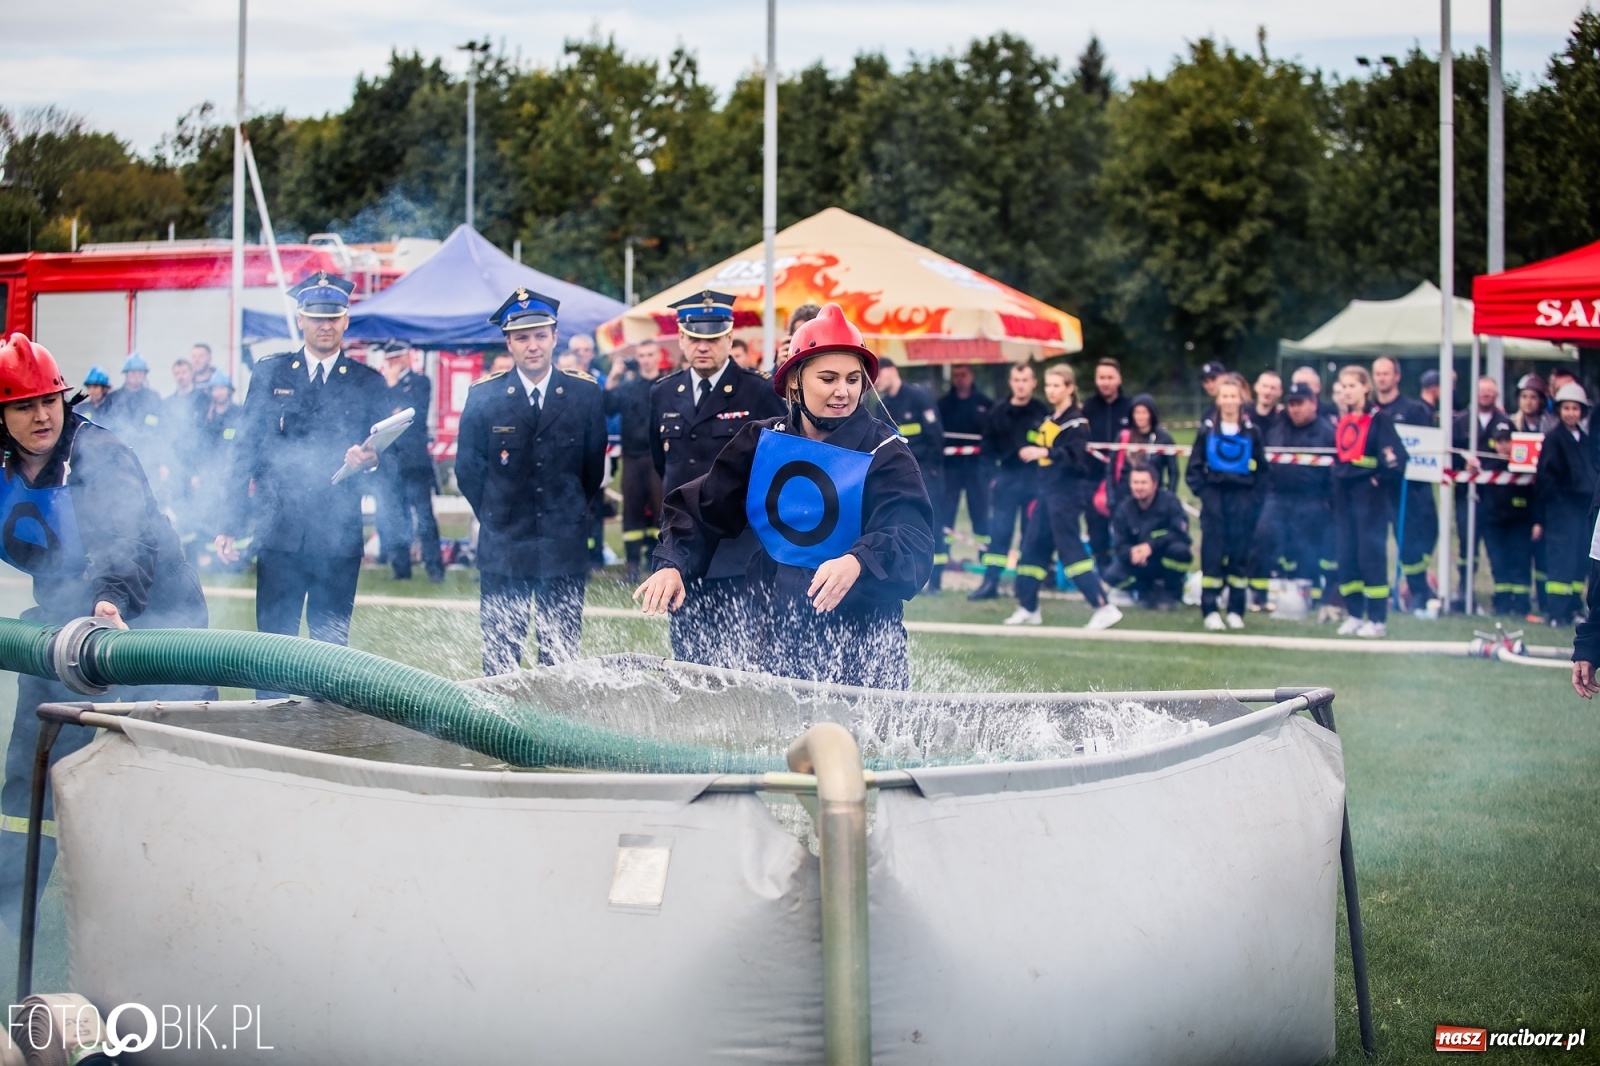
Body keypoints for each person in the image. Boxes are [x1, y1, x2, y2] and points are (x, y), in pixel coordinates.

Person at [0, 333, 212, 932]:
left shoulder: (100, 455)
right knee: (32, 764)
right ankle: (11, 911)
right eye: (23, 406)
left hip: (150, 622)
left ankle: (189, 905)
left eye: (50, 400)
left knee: (169, 764)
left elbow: (127, 538)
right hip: (62, 623)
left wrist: (108, 603)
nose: (42, 415)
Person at [636, 303, 933, 688]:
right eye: (828, 378)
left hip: (864, 646)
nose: (842, 391)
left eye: (853, 379)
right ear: (795, 380)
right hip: (776, 643)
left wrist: (858, 560)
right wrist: (673, 563)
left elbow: (913, 540)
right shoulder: (762, 441)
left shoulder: (886, 452)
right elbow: (701, 507)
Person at [214, 272, 389, 659]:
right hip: (279, 532)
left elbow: (390, 456)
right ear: (300, 319)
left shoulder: (368, 382)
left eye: (333, 317)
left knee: (330, 653)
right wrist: (229, 522)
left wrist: (371, 460)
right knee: (273, 651)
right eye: (316, 317)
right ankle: (270, 702)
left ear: (346, 320)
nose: (325, 326)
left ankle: (324, 704)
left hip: (337, 537)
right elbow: (244, 450)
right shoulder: (270, 373)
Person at [457, 288, 606, 674]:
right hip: (505, 545)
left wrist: (568, 512)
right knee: (500, 656)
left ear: (555, 337)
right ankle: (497, 717)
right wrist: (496, 516)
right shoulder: (484, 396)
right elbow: (468, 470)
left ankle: (554, 717)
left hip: (562, 544)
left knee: (560, 658)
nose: (533, 345)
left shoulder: (584, 394)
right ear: (508, 343)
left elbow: (592, 470)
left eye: (540, 335)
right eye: (522, 337)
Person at [648, 291, 785, 667]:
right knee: (687, 662)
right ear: (680, 338)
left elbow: (777, 468)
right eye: (694, 338)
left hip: (738, 553)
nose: (703, 347)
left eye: (713, 338)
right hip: (683, 553)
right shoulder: (663, 392)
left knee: (741, 665)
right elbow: (663, 465)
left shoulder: (759, 391)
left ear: (729, 337)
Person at [1002, 364, 1123, 630]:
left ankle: (1103, 606)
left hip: (1066, 495)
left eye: (1057, 385)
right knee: (1032, 547)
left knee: (1070, 550)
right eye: (1048, 385)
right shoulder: (1049, 419)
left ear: (1070, 388)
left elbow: (1076, 458)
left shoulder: (1076, 422)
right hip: (1046, 493)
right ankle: (1028, 607)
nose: (1051, 390)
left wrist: (1045, 452)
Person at [1331, 366, 1407, 638]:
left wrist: (1379, 479)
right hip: (1344, 496)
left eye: (1352, 386)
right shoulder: (1343, 420)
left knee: (1370, 555)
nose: (1347, 392)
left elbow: (1397, 458)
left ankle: (1376, 619)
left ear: (1365, 387)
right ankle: (1354, 614)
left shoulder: (1379, 419)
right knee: (1346, 554)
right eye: (1343, 386)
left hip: (1369, 499)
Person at [1186, 373, 1267, 630]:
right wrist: (1206, 495)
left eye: (1234, 396)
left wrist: (1253, 499)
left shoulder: (1252, 432)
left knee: (1239, 555)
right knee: (1212, 555)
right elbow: (1193, 470)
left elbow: (1263, 471)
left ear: (1241, 399)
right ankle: (1210, 609)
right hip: (1215, 500)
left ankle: (1235, 610)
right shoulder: (1207, 431)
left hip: (1242, 500)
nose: (1230, 401)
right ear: (1218, 400)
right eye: (1225, 396)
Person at [1249, 381, 1336, 611]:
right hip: (1277, 495)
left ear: (1313, 403)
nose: (1295, 409)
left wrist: (1327, 501)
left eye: (1300, 403)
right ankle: (1259, 593)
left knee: (1306, 547)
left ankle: (1308, 595)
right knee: (1264, 537)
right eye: (1291, 404)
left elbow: (1333, 472)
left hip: (1311, 498)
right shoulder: (1278, 427)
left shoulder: (1327, 432)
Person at [971, 363, 1047, 600]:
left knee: (1031, 535)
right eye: (1016, 380)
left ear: (1033, 383)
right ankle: (990, 583)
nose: (1021, 385)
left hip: (1034, 481)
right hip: (1006, 479)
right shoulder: (997, 412)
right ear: (1011, 382)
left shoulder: (1042, 412)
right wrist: (991, 478)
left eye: (1025, 380)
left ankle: (1025, 587)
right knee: (999, 533)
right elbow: (986, 449)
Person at [1372, 355, 1440, 613]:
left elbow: (1425, 448)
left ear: (1397, 376)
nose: (1381, 378)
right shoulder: (1370, 410)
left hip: (1408, 490)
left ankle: (1418, 592)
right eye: (1377, 373)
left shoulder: (1414, 410)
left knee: (1410, 545)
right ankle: (1380, 594)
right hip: (1377, 490)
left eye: (1386, 373)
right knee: (1374, 543)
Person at [874, 361, 946, 590]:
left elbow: (935, 435)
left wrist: (933, 469)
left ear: (892, 370)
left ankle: (935, 581)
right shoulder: (882, 406)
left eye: (878, 374)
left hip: (925, 471)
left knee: (933, 523)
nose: (875, 381)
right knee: (902, 523)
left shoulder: (918, 397)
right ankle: (909, 576)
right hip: (897, 475)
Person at [375, 342, 444, 583]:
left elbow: (413, 413)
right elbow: (382, 416)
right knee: (394, 515)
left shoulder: (420, 382)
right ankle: (400, 567)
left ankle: (434, 566)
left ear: (406, 357)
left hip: (414, 461)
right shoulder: (381, 385)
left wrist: (394, 386)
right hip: (390, 461)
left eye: (397, 357)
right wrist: (391, 390)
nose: (393, 362)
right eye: (390, 357)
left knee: (424, 516)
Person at [605, 341, 668, 582]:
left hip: (658, 458)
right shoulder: (628, 387)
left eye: (650, 354)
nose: (646, 359)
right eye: (641, 355)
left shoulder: (667, 386)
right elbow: (608, 407)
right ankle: (631, 565)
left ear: (658, 356)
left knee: (660, 512)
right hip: (631, 457)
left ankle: (657, 562)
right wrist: (613, 376)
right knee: (632, 510)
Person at [1451, 376, 1512, 611]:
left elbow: (1514, 458)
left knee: (1498, 547)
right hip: (1467, 495)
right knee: (1467, 546)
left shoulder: (1505, 423)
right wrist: (1462, 466)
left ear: (1496, 394)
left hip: (1497, 498)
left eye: (1490, 391)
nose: (1486, 394)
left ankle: (1503, 598)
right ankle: (1464, 591)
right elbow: (1452, 454)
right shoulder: (1461, 422)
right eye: (1482, 390)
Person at [1535, 384, 1593, 627]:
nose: (1571, 413)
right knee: (1561, 561)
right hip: (1561, 511)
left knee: (1581, 559)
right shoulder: (1553, 439)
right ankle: (1556, 611)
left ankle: (1573, 607)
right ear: (1559, 410)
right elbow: (1546, 479)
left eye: (1575, 408)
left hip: (1583, 511)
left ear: (1582, 411)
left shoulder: (1586, 440)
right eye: (1566, 408)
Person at [1102, 462, 1192, 609]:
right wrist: (1131, 553)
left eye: (1143, 483)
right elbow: (1119, 543)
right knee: (1111, 576)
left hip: (1163, 557)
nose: (1139, 487)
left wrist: (1151, 546)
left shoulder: (1170, 503)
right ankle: (1144, 591)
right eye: (1135, 483)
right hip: (1139, 562)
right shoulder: (1124, 509)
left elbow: (1181, 534)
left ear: (1154, 484)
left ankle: (1172, 591)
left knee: (1180, 551)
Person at [181, 372, 243, 568]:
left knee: (227, 514)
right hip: (207, 475)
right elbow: (197, 447)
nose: (218, 393)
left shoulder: (239, 414)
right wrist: (195, 473)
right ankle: (205, 558)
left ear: (229, 391)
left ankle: (228, 561)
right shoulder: (204, 416)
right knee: (205, 514)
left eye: (222, 388)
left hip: (231, 475)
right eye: (215, 389)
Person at [937, 364, 992, 570]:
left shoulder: (985, 404)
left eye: (964, 374)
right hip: (950, 468)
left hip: (977, 468)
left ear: (972, 375)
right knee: (946, 512)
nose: (960, 378)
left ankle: (985, 559)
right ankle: (943, 558)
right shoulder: (943, 405)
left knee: (980, 512)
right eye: (956, 375)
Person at [1081, 357, 1132, 570]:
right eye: (1101, 378)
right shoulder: (1087, 408)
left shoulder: (1130, 407)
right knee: (1096, 528)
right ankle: (1102, 569)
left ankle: (1125, 569)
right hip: (1093, 478)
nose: (1106, 382)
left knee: (1126, 526)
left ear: (1119, 379)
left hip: (1124, 479)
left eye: (1110, 377)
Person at [1105, 394, 1178, 517]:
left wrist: (1169, 497)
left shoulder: (1164, 438)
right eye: (1137, 412)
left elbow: (1173, 472)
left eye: (1144, 412)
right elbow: (1110, 469)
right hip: (1124, 498)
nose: (1140, 417)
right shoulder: (1123, 436)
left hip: (1154, 500)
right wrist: (1111, 496)